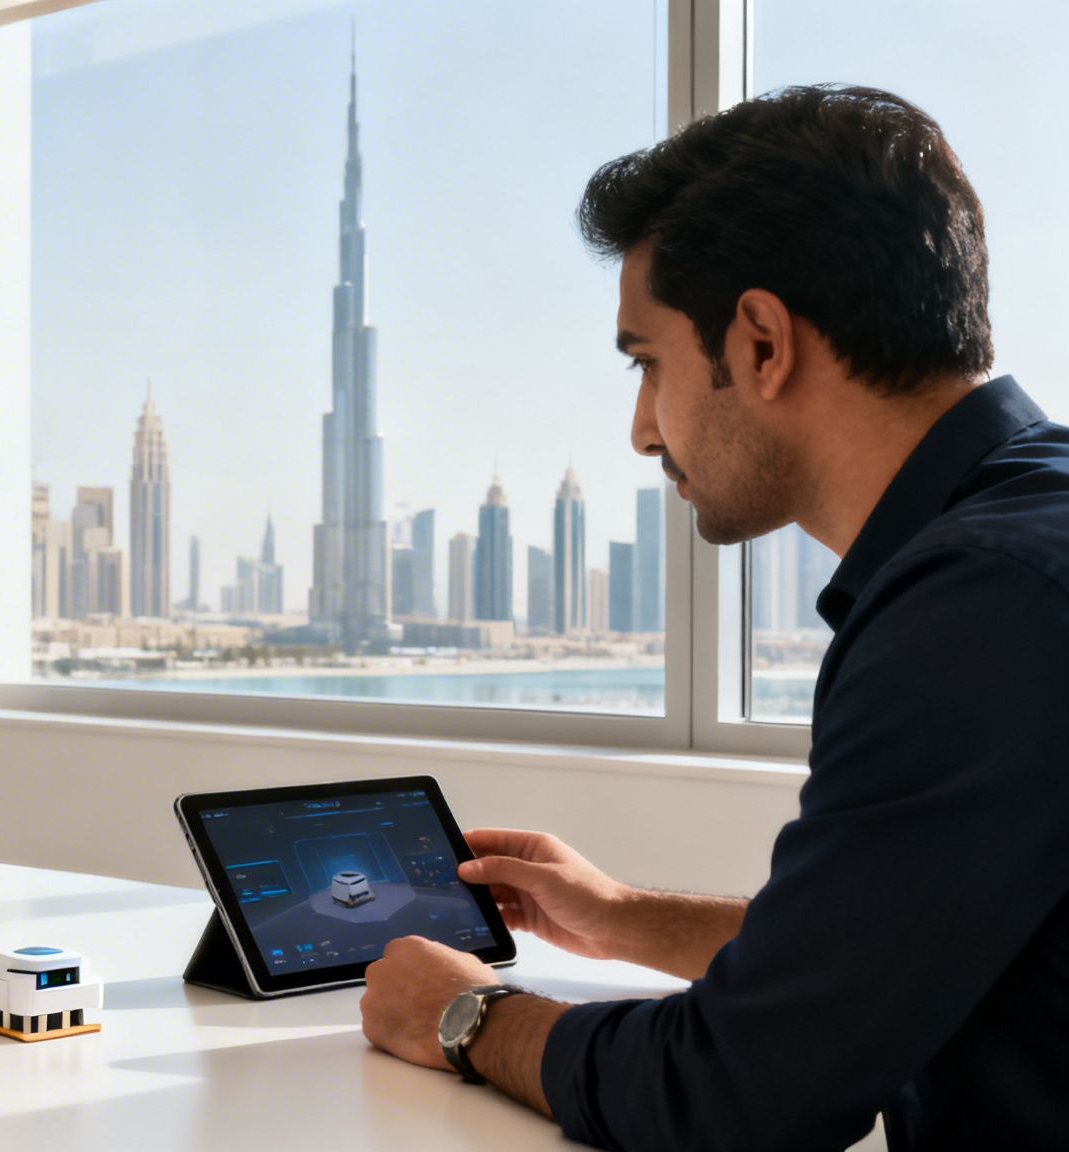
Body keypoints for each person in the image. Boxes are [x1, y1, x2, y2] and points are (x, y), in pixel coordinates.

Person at [359, 84, 1069, 1151]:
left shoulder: (980, 605)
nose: (641, 432)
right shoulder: (1026, 535)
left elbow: (739, 1094)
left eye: (645, 364)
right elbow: (902, 949)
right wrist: (620, 917)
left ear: (760, 343)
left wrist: (467, 1019)